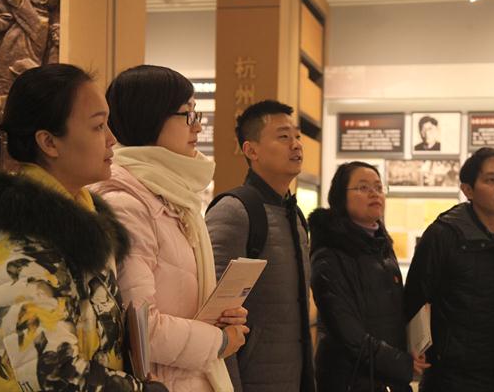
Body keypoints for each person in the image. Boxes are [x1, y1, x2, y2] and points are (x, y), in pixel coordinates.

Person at [0, 64, 167, 391]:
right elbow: (53, 375)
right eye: (98, 126)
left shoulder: (84, 223)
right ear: (49, 142)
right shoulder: (22, 242)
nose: (112, 139)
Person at [90, 65, 248, 392]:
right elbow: (141, 328)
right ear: (150, 116)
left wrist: (219, 318)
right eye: (188, 114)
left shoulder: (171, 195)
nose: (198, 125)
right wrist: (219, 340)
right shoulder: (126, 204)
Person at [404, 147, 494, 392]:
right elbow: (415, 296)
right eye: (491, 180)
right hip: (453, 378)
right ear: (468, 190)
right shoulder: (443, 235)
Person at [205, 100, 315, 392]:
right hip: (251, 380)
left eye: (297, 136)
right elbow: (214, 315)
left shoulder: (295, 215)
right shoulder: (234, 211)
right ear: (251, 150)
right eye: (283, 136)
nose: (296, 145)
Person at [309, 161, 430, 392]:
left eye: (378, 187)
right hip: (349, 381)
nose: (374, 193)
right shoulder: (329, 255)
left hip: (387, 379)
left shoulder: (381, 247)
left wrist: (411, 349)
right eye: (363, 187)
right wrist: (401, 363)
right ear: (340, 197)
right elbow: (347, 332)